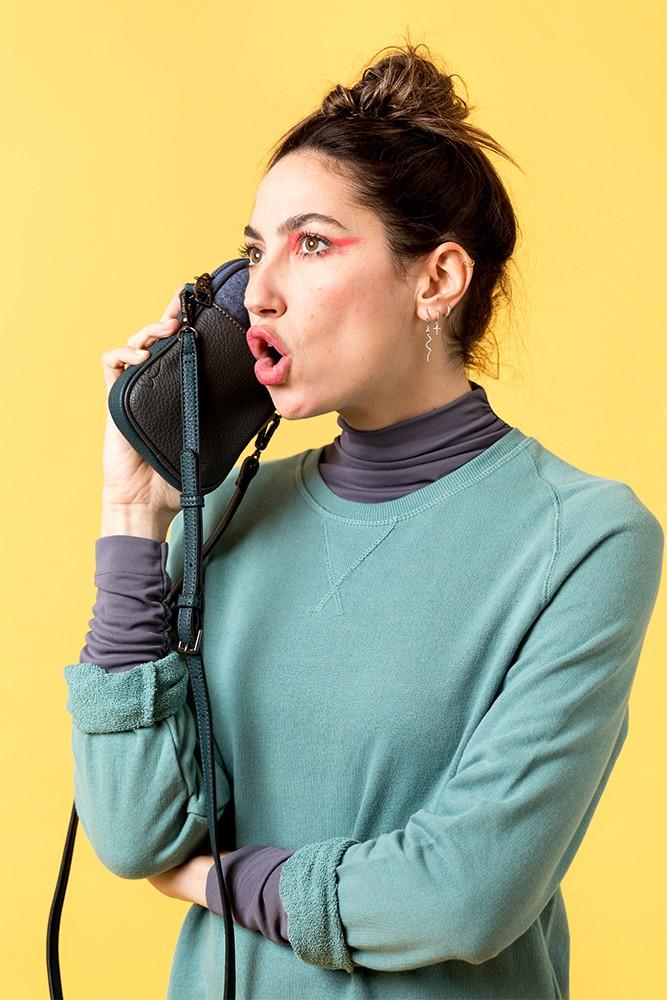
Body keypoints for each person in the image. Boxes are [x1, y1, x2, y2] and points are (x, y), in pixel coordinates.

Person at [63, 40, 664, 1000]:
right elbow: (134, 832)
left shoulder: (586, 539)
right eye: (253, 252)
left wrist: (222, 880)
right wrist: (134, 512)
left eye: (310, 244)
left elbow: (464, 895)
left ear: (436, 281)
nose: (256, 293)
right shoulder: (221, 517)